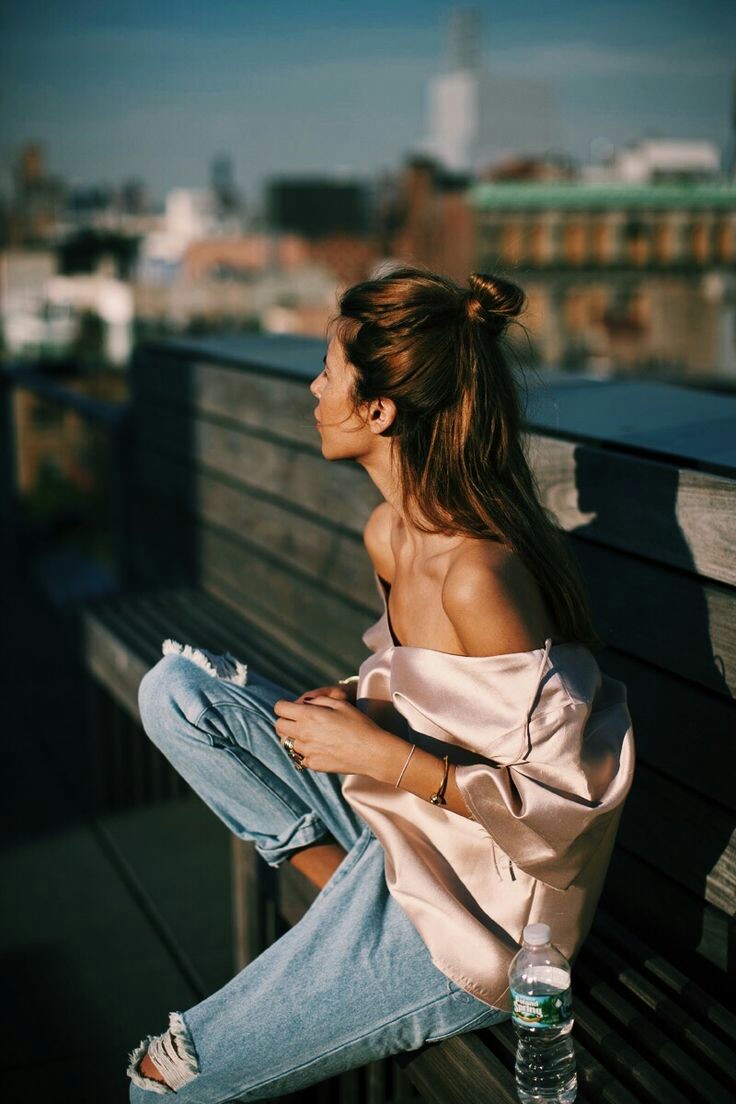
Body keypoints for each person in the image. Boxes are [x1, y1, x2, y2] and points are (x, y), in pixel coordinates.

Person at [127, 267, 635, 1100]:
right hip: (404, 829)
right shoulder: (391, 535)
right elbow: (433, 699)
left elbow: (564, 813)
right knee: (178, 695)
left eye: (329, 372)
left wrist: (379, 754)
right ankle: (354, 901)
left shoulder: (479, 575)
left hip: (489, 920)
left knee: (162, 1081)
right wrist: (356, 706)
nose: (315, 387)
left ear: (379, 411)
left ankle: (374, 929)